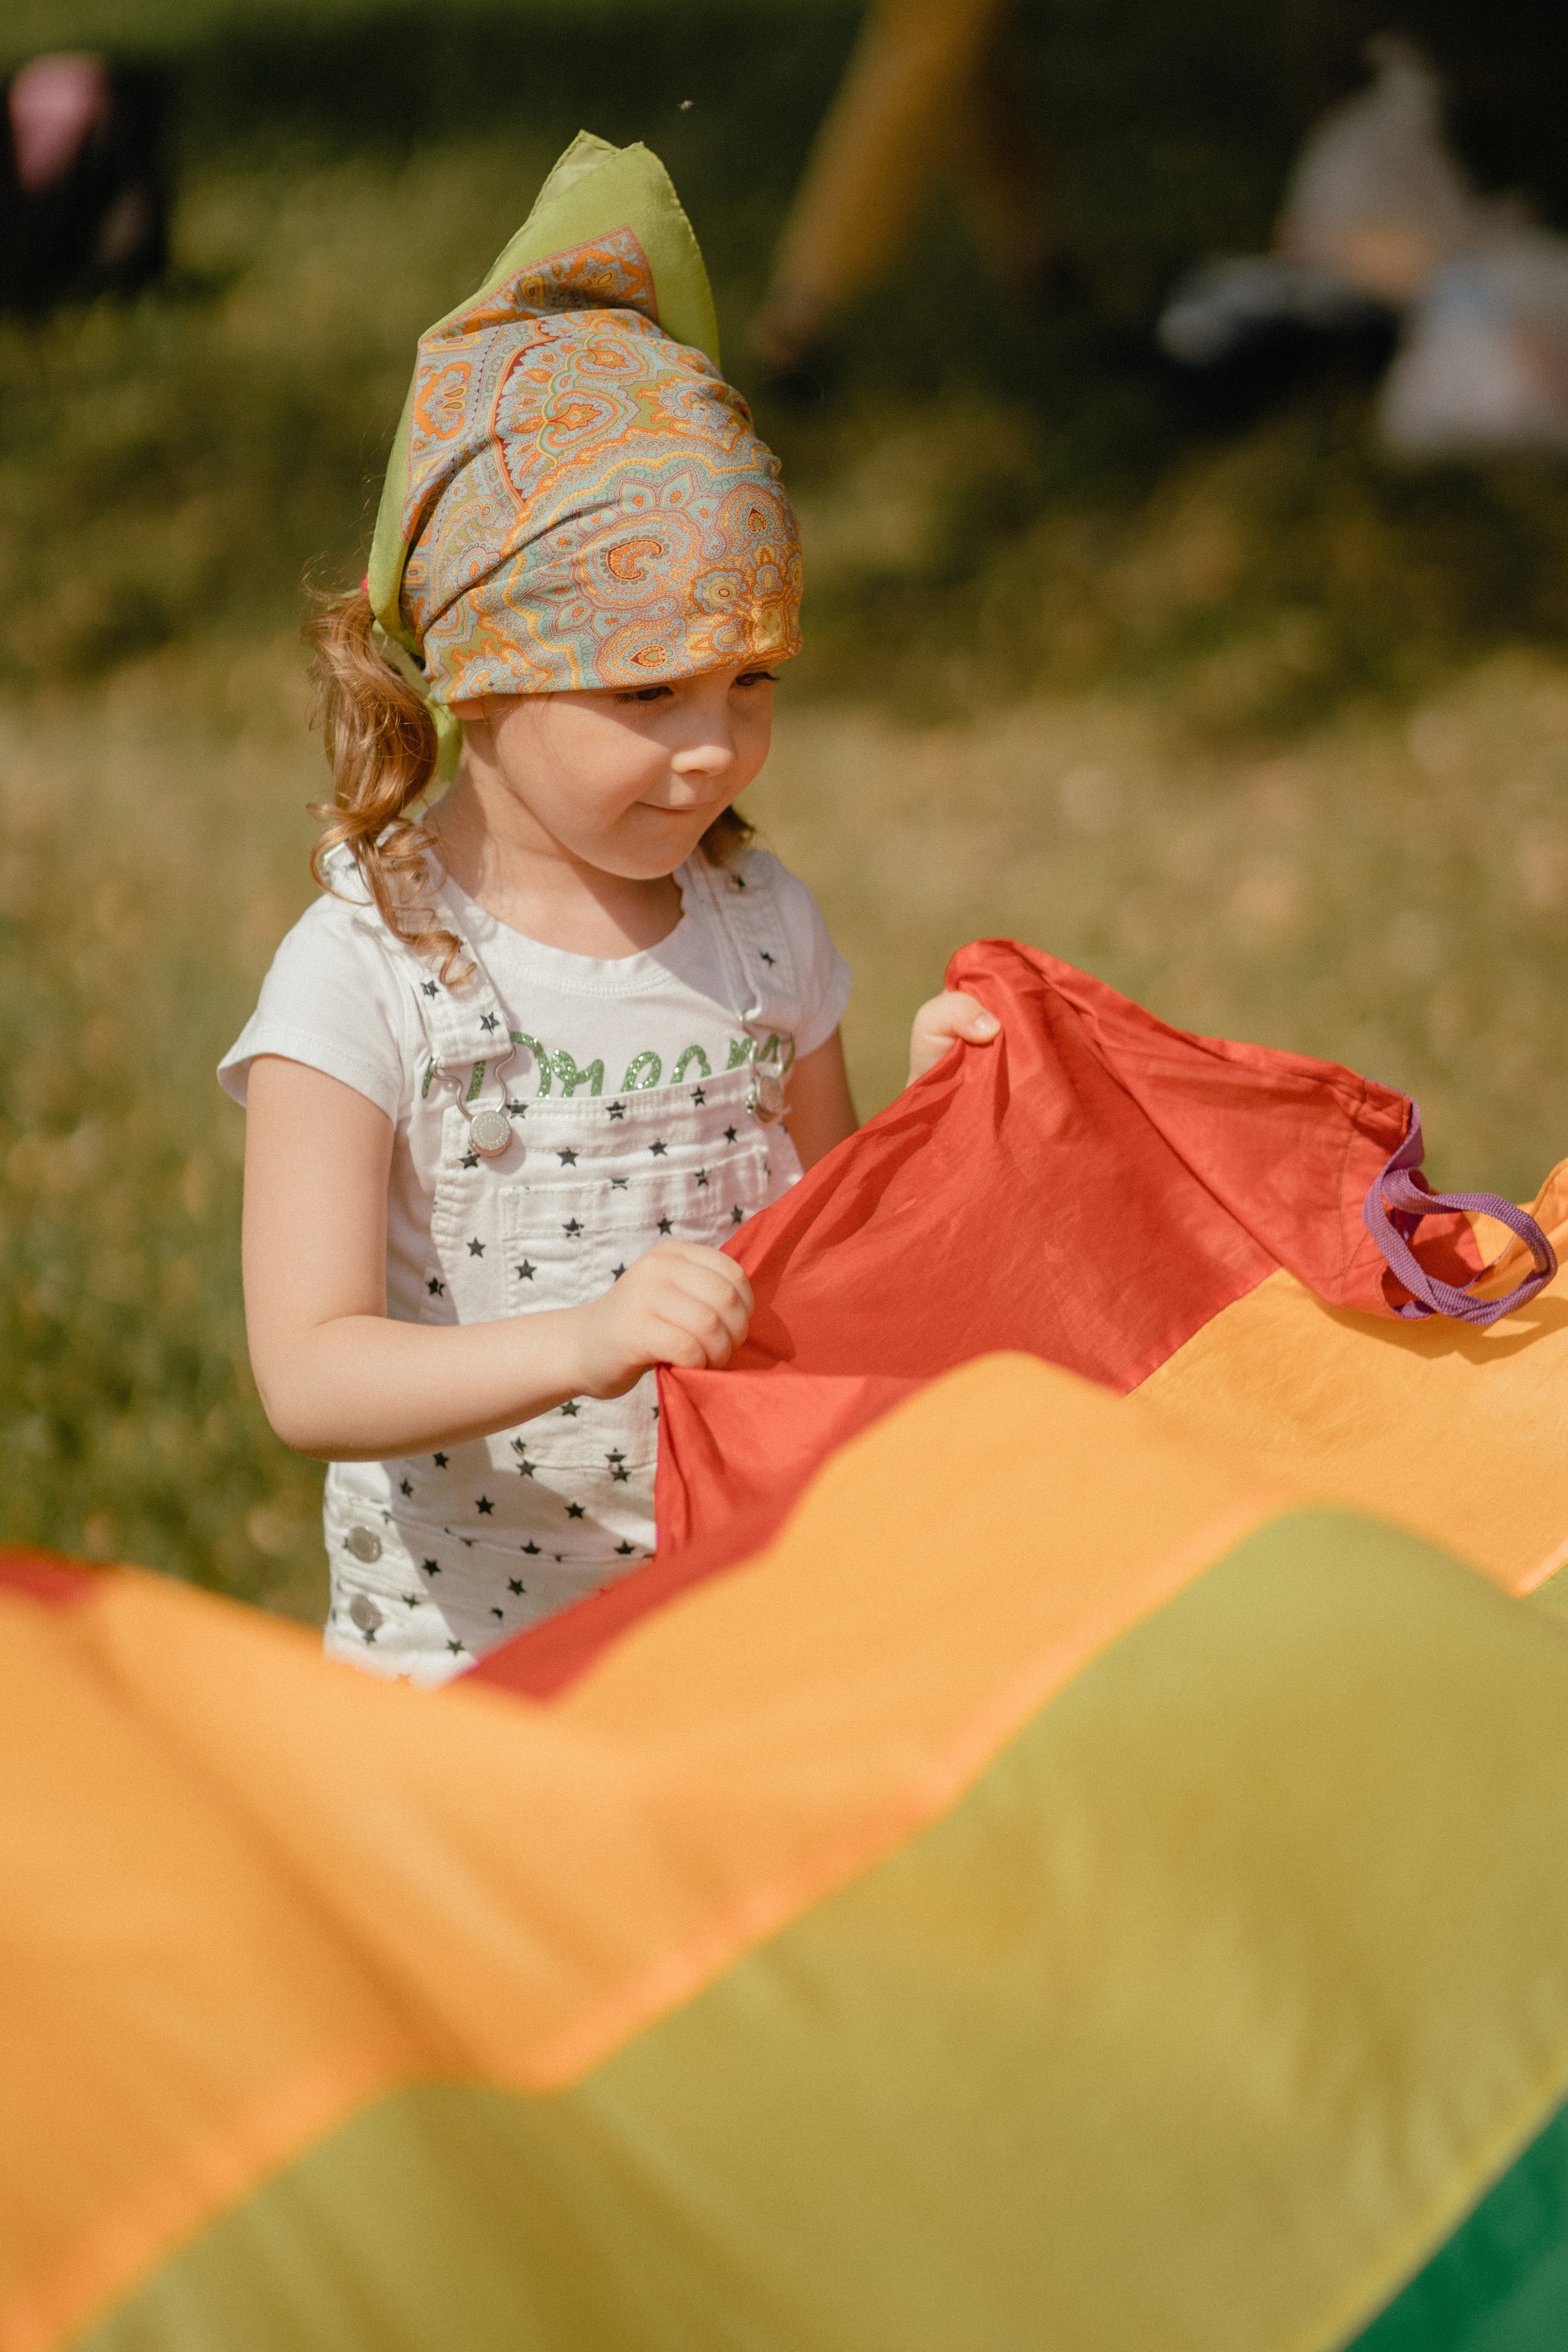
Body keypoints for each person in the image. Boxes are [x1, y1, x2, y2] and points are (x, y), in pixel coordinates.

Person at [220, 134, 998, 1686]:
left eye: (749, 681)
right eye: (646, 687)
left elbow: (830, 1259)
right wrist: (586, 1340)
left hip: (741, 1632)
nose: (713, 744)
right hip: (466, 1681)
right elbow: (308, 1372)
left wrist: (953, 1118)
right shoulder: (363, 980)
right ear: (481, 675)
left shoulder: (764, 931)